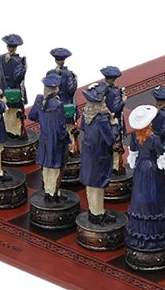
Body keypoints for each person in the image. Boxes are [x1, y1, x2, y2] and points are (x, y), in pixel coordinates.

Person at [125, 104, 165, 253]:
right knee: (154, 196)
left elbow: (133, 152)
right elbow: (162, 155)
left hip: (141, 167)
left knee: (141, 194)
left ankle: (140, 230)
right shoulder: (154, 138)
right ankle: (154, 232)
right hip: (152, 169)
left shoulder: (134, 136)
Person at [79, 82, 119, 224]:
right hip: (100, 155)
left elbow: (82, 128)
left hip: (88, 153)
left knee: (90, 184)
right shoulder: (102, 119)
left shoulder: (86, 113)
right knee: (98, 185)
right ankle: (97, 214)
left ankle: (93, 211)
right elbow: (111, 139)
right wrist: (114, 125)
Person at [28, 73, 70, 201]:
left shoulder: (39, 100)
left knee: (46, 165)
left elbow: (31, 116)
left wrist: (43, 120)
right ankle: (53, 193)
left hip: (44, 137)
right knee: (55, 167)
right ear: (56, 89)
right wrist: (67, 139)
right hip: (55, 140)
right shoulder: (57, 105)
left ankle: (48, 191)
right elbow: (60, 128)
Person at [0, 33, 28, 138]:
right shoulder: (18, 61)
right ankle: (15, 132)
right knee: (16, 113)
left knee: (7, 111)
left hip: (4, 90)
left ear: (7, 46)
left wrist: (0, 88)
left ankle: (7, 130)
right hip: (15, 91)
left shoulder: (0, 58)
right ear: (16, 47)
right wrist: (24, 68)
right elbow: (18, 78)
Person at [101, 66, 127, 171]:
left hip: (103, 120)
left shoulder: (101, 89)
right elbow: (115, 108)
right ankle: (115, 167)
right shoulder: (114, 92)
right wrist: (123, 101)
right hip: (114, 120)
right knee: (116, 144)